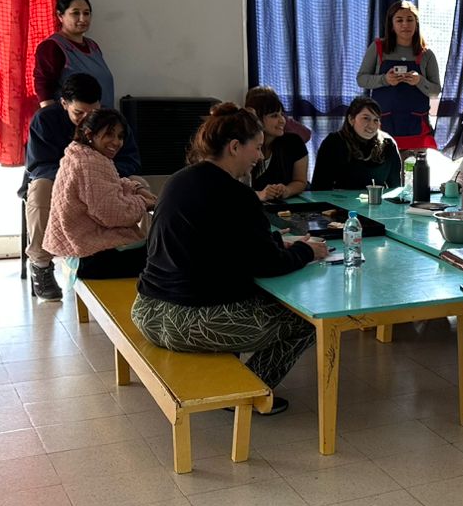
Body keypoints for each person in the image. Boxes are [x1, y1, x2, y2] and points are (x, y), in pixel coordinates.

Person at [132, 102, 328, 413]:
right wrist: (307, 251)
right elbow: (269, 265)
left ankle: (236, 384)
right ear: (235, 147)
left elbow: (225, 243)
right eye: (257, 148)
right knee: (306, 321)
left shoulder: (178, 180)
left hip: (147, 310)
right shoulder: (237, 195)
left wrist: (278, 242)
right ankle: (247, 394)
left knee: (242, 298)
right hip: (187, 322)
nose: (259, 157)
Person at [22, 73, 142, 300]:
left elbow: (131, 160)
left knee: (141, 183)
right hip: (59, 181)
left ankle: (146, 250)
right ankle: (41, 263)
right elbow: (39, 164)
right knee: (39, 190)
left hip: (107, 178)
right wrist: (78, 175)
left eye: (92, 112)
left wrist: (104, 172)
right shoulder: (45, 120)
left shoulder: (112, 121)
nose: (87, 119)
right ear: (64, 103)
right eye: (79, 113)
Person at [43, 109, 156, 279]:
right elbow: (114, 214)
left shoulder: (78, 155)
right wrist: (144, 203)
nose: (116, 142)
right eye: (109, 134)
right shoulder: (91, 163)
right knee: (166, 257)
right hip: (92, 257)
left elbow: (111, 185)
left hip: (79, 251)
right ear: (90, 134)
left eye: (120, 136)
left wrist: (136, 188)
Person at [356, 0, 441, 151]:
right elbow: (361, 79)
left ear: (416, 23)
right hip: (382, 127)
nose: (405, 24)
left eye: (410, 20)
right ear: (391, 24)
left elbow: (435, 91)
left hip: (417, 130)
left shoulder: (426, 54)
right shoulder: (378, 48)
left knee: (417, 165)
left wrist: (419, 81)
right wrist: (384, 79)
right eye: (399, 20)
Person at [33, 0, 115, 108]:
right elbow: (43, 87)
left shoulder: (93, 46)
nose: (82, 19)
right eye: (75, 13)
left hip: (102, 117)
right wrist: (50, 116)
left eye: (86, 13)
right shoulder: (52, 47)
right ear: (60, 15)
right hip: (71, 118)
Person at [310, 96, 403, 191]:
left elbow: (395, 189)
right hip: (339, 200)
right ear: (351, 119)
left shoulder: (388, 144)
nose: (371, 125)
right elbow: (319, 188)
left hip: (376, 200)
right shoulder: (334, 143)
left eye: (376, 120)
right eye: (366, 118)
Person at [244, 86, 309, 201]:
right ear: (257, 119)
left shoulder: (294, 143)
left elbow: (300, 181)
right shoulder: (243, 146)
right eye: (274, 116)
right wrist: (260, 195)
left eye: (282, 114)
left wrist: (287, 190)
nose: (282, 120)